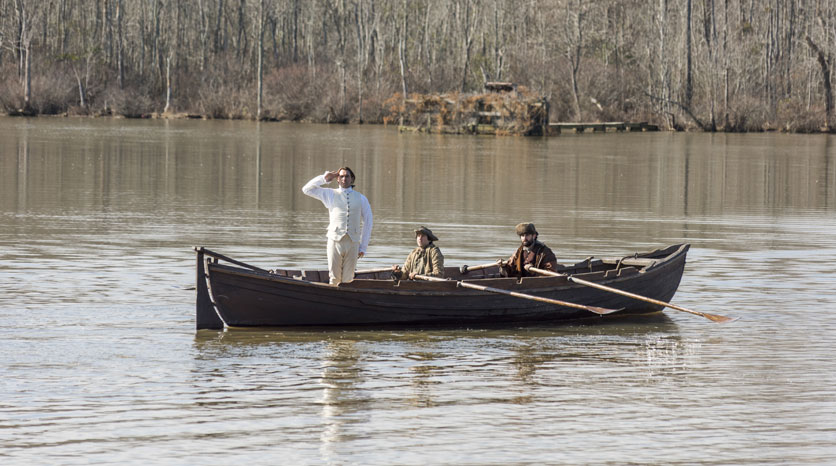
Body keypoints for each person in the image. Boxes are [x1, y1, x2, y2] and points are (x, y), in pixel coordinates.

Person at [302, 167, 373, 285]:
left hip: (353, 243)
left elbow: (368, 222)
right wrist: (325, 178)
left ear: (352, 179)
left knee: (349, 279)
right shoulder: (330, 194)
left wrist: (363, 247)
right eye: (341, 176)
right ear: (337, 179)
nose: (344, 178)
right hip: (335, 241)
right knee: (334, 278)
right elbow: (306, 189)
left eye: (347, 176)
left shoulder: (361, 198)